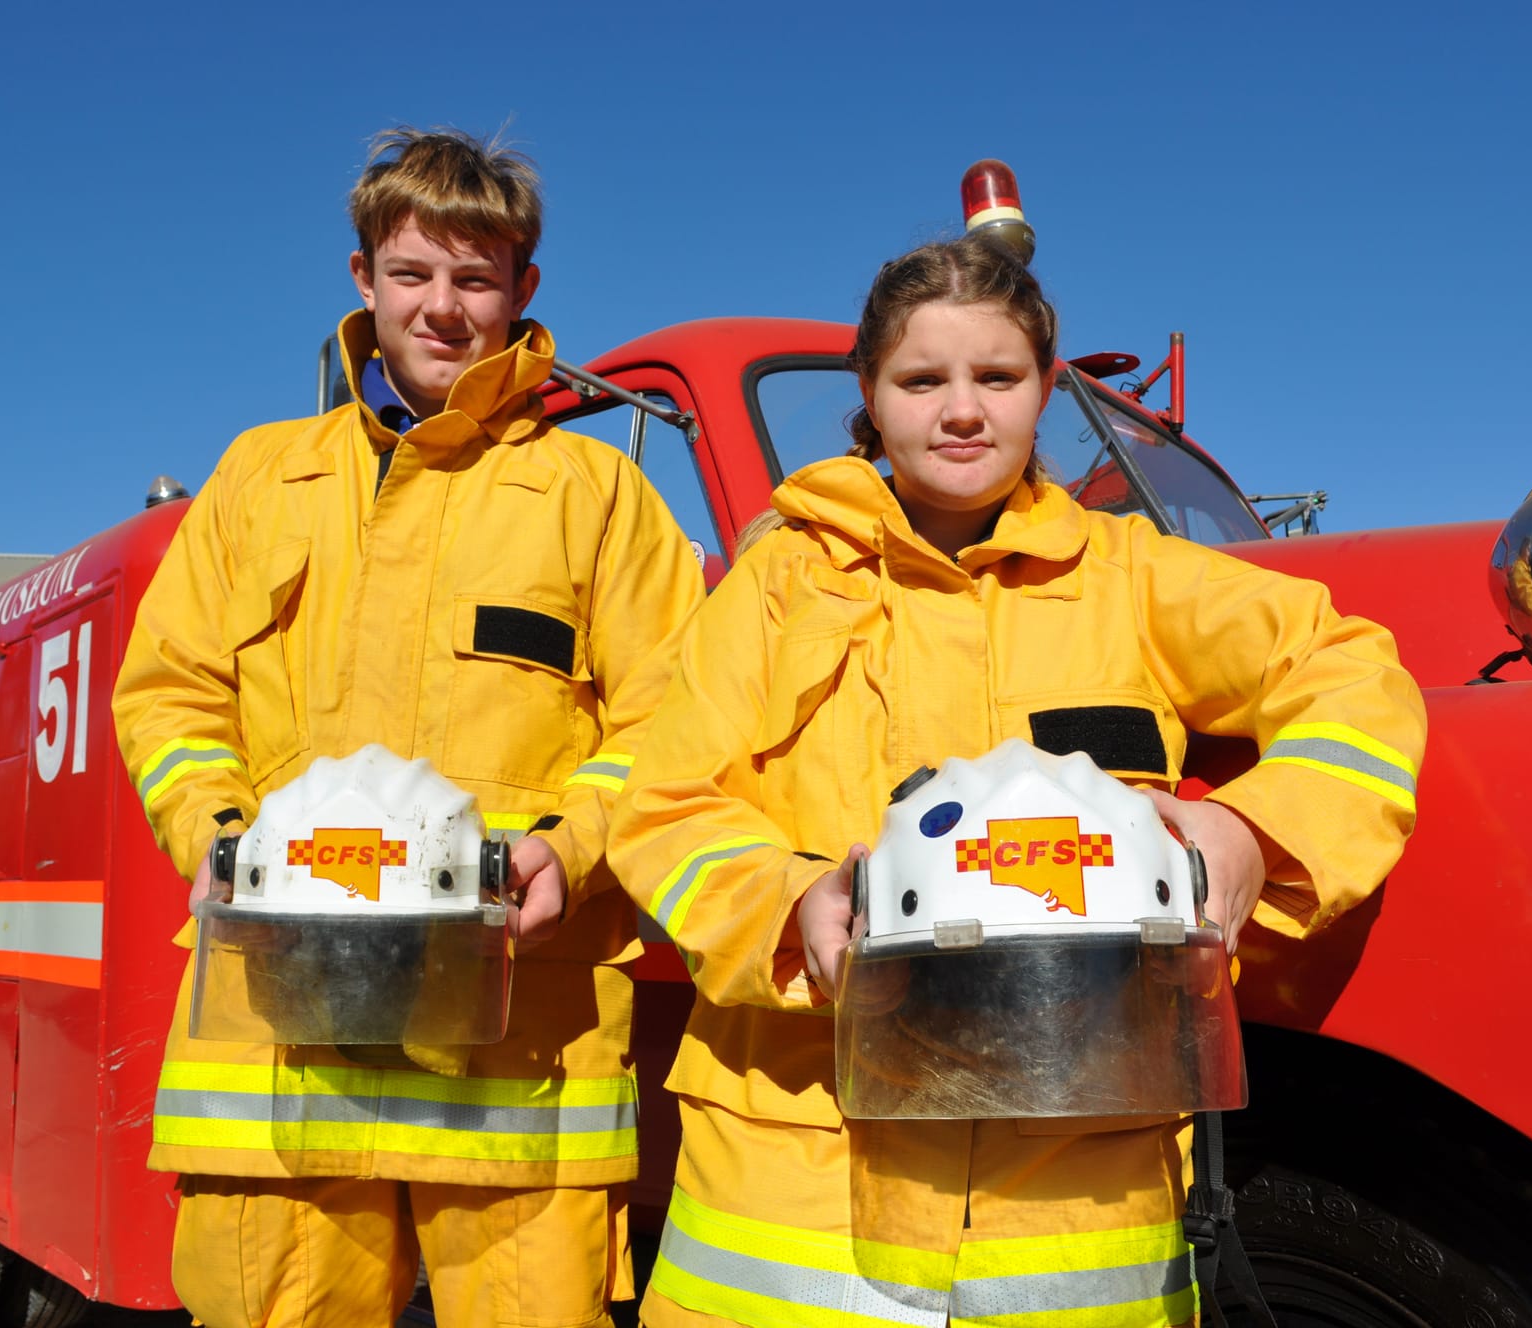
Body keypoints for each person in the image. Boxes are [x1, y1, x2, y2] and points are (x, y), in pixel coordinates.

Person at [607, 236, 1427, 1327]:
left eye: (995, 377)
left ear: (1045, 387)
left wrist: (1251, 835)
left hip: (1077, 1210)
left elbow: (1350, 672)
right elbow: (662, 802)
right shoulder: (775, 586)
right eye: (921, 379)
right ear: (869, 394)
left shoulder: (1133, 580)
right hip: (794, 1190)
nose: (959, 410)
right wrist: (787, 900)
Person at [111, 128, 706, 1328]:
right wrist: (222, 836)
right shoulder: (260, 476)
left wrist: (567, 846)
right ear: (363, 280)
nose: (442, 308)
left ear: (523, 293)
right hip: (281, 1035)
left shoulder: (600, 500)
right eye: (413, 273)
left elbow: (674, 725)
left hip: (517, 1043)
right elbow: (169, 691)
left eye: (475, 279)